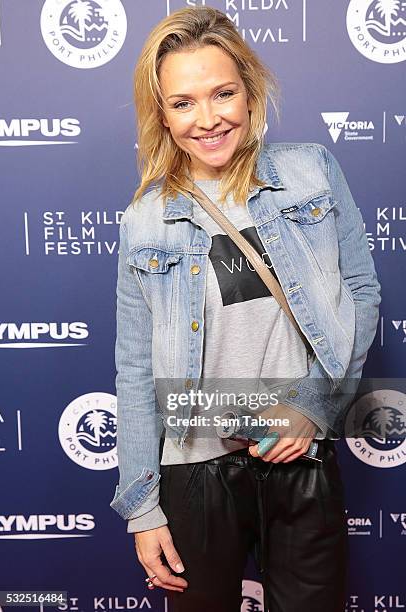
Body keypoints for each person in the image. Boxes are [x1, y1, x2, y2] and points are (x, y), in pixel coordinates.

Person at [110, 6, 381, 612]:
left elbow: (361, 295)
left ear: (250, 91)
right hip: (196, 468)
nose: (208, 120)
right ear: (161, 114)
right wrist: (141, 507)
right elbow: (134, 368)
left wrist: (313, 404)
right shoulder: (146, 218)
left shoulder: (311, 172)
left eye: (223, 93)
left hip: (297, 455)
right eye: (182, 103)